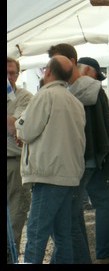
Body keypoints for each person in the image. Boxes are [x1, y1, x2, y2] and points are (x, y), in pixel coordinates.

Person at [17, 55, 86, 264]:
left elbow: (27, 131)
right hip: (69, 174)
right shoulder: (75, 102)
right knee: (63, 235)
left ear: (47, 71)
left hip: (48, 174)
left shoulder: (44, 96)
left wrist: (18, 125)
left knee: (36, 233)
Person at [70, 57, 109, 264]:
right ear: (89, 70)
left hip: (76, 157)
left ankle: (81, 256)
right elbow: (106, 125)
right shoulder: (98, 92)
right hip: (98, 156)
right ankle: (104, 254)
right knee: (104, 205)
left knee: (74, 210)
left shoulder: (68, 91)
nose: (97, 79)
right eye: (96, 74)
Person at [7, 57, 33, 259]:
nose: (8, 77)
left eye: (12, 73)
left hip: (14, 162)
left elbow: (13, 127)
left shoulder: (24, 96)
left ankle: (11, 256)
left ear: (18, 74)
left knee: (16, 215)